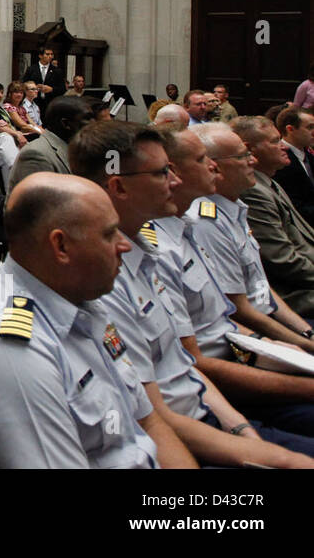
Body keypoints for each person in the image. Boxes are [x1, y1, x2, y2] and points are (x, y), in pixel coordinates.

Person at [69, 120, 314, 467]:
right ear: (119, 187)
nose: (175, 181)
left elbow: (192, 359)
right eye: (162, 172)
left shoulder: (151, 252)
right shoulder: (104, 279)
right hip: (190, 429)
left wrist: (245, 431)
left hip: (213, 404)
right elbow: (154, 415)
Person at [0, 173, 193, 468]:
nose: (124, 245)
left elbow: (148, 423)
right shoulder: (8, 348)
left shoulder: (81, 294)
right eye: (109, 233)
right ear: (61, 246)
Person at [187, 122, 314, 352]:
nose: (252, 161)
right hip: (251, 336)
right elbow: (241, 310)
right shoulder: (206, 222)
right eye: (243, 156)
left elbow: (262, 287)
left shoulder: (235, 206)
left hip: (275, 320)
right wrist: (304, 344)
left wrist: (306, 332)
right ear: (215, 167)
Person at [237, 114, 314, 321]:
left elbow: (304, 239)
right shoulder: (252, 191)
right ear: (249, 149)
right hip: (292, 294)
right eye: (274, 141)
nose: (285, 146)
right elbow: (282, 260)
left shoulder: (269, 182)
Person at [7, 95, 94, 194]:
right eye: (88, 119)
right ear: (66, 124)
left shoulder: (77, 147)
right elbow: (38, 205)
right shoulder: (36, 153)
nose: (94, 123)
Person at [273, 106, 314, 224]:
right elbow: (294, 207)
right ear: (290, 129)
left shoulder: (308, 155)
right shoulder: (280, 161)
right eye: (310, 127)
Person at [21, 46, 63, 111]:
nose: (50, 56)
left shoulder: (57, 71)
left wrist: (51, 89)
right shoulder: (31, 69)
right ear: (40, 56)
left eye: (52, 54)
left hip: (50, 103)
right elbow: (24, 84)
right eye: (47, 54)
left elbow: (62, 89)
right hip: (34, 101)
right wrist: (34, 87)